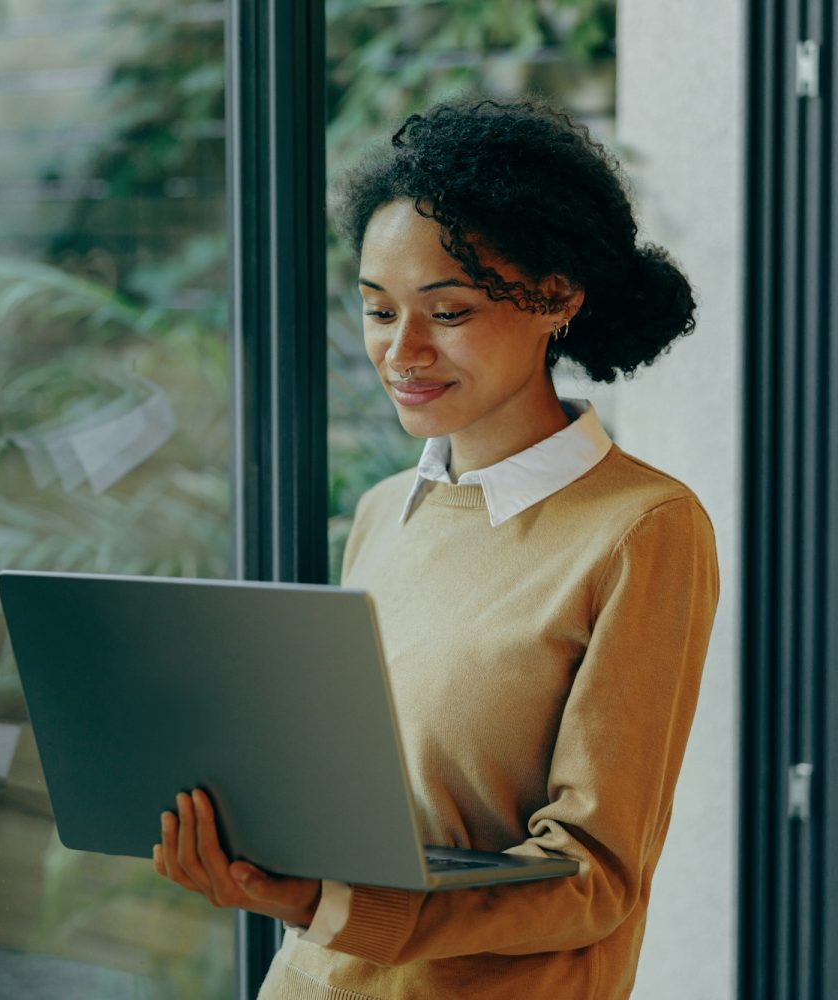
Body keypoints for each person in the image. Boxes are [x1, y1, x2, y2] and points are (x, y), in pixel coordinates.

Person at [152, 95, 720, 1000]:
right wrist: (257, 849)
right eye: (379, 310)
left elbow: (595, 877)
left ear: (557, 298)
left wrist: (332, 905)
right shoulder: (386, 512)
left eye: (447, 312)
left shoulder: (643, 528)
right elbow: (363, 809)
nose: (401, 350)